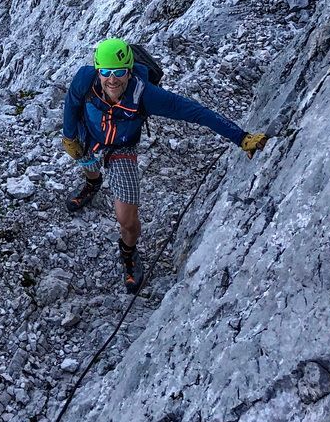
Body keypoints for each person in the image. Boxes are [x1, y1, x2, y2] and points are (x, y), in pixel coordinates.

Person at [62, 38, 267, 293]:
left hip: (121, 146)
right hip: (89, 132)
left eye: (119, 72)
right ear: (97, 70)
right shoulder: (85, 79)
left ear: (129, 70)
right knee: (84, 157)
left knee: (127, 221)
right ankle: (93, 182)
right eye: (105, 72)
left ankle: (128, 253)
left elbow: (195, 112)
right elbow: (72, 103)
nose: (111, 79)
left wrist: (241, 138)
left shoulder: (146, 95)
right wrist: (68, 135)